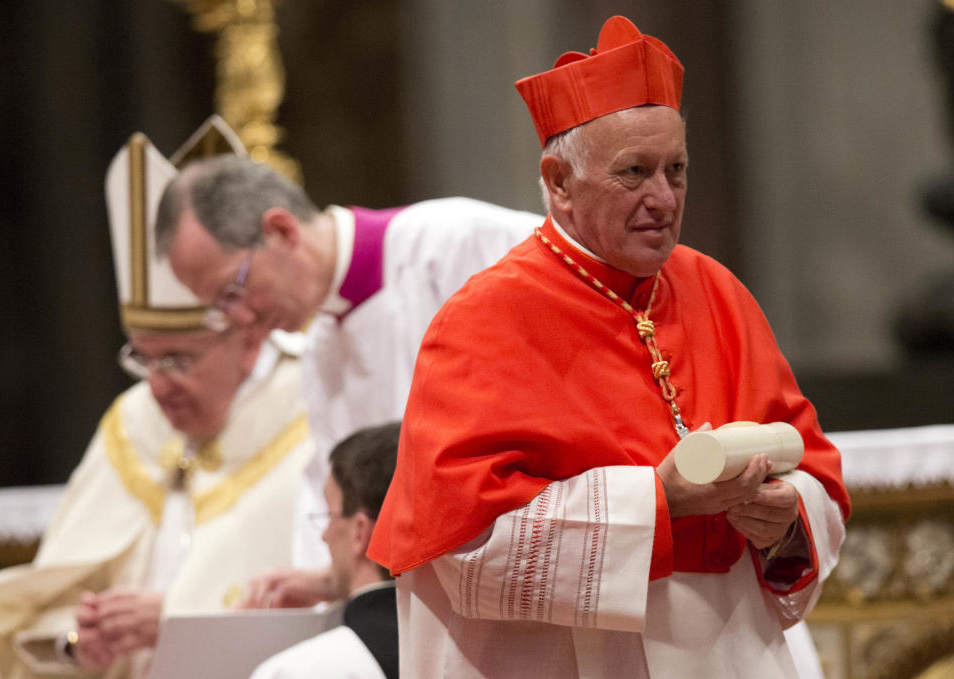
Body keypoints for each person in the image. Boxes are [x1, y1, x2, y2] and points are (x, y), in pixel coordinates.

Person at [368, 16, 852, 678]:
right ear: (559, 181)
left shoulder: (716, 289)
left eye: (676, 169)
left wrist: (783, 520)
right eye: (635, 172)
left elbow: (815, 467)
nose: (664, 198)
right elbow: (464, 544)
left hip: (729, 648)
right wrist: (660, 499)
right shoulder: (485, 318)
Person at [0, 118, 314, 679]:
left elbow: (336, 605)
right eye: (143, 356)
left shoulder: (312, 409)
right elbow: (52, 617)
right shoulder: (134, 421)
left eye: (179, 359)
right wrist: (80, 643)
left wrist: (183, 622)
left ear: (248, 333)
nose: (157, 382)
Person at [153, 155, 542, 581]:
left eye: (233, 290)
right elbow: (333, 498)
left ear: (281, 231)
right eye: (219, 307)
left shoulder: (463, 245)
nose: (240, 319)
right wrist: (322, 581)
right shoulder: (319, 351)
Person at [250, 422, 400, 679]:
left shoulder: (299, 672)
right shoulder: (469, 653)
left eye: (330, 515)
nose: (324, 535)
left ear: (359, 531)